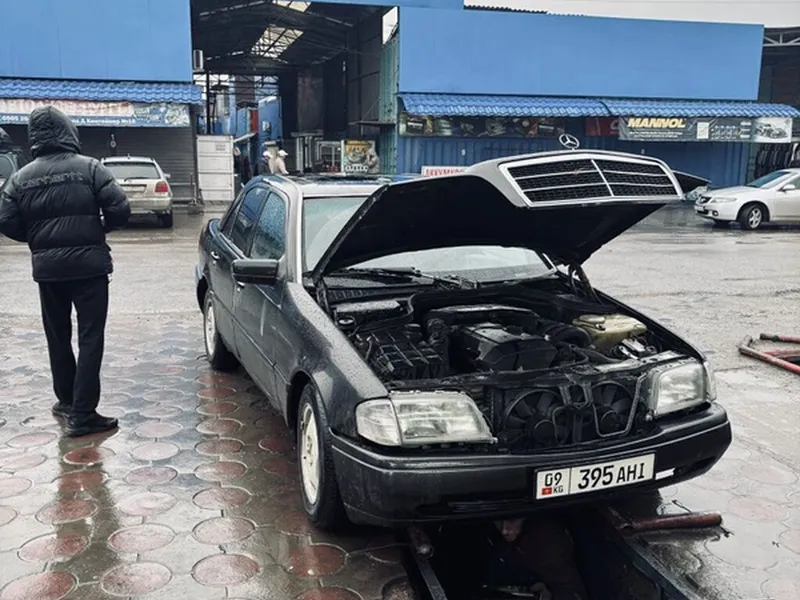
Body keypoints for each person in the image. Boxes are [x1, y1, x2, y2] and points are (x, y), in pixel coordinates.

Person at [0, 106, 130, 437]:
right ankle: (83, 414)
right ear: (68, 131)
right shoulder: (90, 168)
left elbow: (5, 219)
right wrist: (99, 229)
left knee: (57, 335)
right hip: (90, 269)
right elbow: (120, 208)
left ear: (34, 137)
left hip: (49, 271)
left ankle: (67, 401)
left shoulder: (21, 177)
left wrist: (38, 239)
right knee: (90, 337)